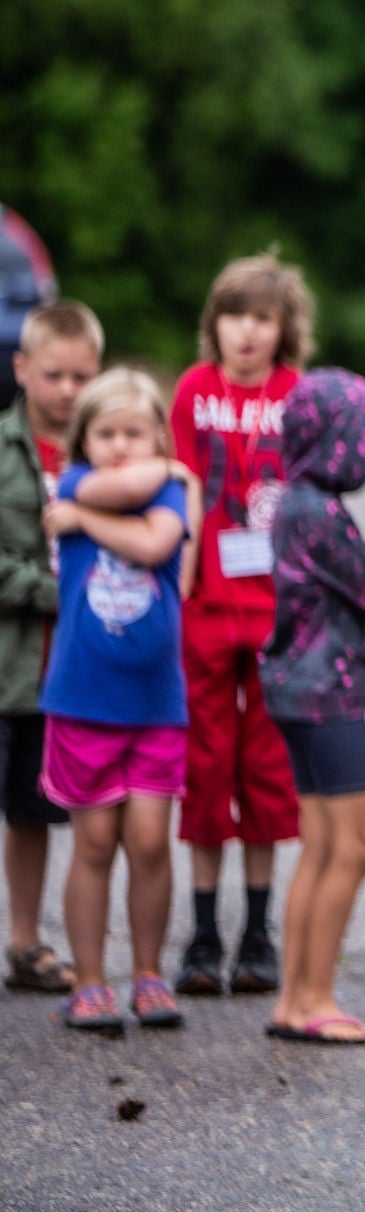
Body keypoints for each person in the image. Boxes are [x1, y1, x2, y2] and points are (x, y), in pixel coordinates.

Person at [171, 253, 313, 999]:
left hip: (276, 614)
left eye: (262, 318)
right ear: (215, 325)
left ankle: (257, 930)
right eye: (234, 316)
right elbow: (185, 488)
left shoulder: (299, 395)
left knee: (264, 771)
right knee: (205, 766)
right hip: (205, 610)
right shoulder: (195, 392)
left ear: (284, 328)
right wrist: (179, 588)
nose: (247, 332)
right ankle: (201, 929)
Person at [40, 370, 192, 1033]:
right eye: (105, 433)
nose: (121, 446)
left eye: (136, 432)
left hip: (156, 705)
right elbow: (119, 490)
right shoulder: (77, 483)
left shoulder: (165, 493)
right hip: (81, 703)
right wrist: (167, 467)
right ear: (82, 441)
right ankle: (92, 981)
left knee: (151, 842)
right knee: (95, 842)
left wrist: (84, 523)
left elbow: (158, 544)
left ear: (157, 434)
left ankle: (150, 974)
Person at [258, 369, 365, 1045]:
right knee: (355, 845)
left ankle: (295, 997)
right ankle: (314, 997)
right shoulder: (318, 510)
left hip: (298, 688)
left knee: (322, 846)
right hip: (327, 691)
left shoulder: (296, 501)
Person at [1, 301, 101, 994]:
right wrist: (58, 592)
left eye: (81, 376)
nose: (67, 390)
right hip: (6, 663)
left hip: (61, 678)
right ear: (22, 369)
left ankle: (26, 942)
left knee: (33, 812)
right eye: (54, 374)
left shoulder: (109, 454)